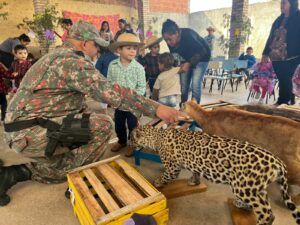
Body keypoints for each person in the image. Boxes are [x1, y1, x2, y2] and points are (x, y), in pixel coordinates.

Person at [0, 21, 187, 206]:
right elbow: (112, 93)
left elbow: (71, 103)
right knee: (103, 126)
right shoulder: (72, 62)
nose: (98, 51)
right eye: (96, 46)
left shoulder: (56, 56)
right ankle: (73, 179)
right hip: (28, 133)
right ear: (84, 43)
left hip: (23, 128)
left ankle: (18, 172)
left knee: (87, 120)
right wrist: (157, 108)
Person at [107, 33, 146, 157]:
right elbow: (109, 82)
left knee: (133, 126)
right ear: (119, 49)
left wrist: (133, 98)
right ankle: (122, 141)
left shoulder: (139, 68)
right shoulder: (112, 65)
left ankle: (132, 144)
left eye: (134, 48)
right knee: (118, 125)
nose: (132, 51)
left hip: (133, 105)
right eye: (128, 48)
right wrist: (111, 97)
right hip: (118, 104)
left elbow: (142, 87)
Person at [162, 19, 211, 104]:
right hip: (187, 58)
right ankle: (183, 105)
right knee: (184, 85)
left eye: (169, 39)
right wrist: (171, 68)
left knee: (195, 84)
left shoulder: (188, 35)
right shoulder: (170, 41)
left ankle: (194, 109)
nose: (168, 42)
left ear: (177, 33)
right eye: (166, 40)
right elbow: (174, 55)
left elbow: (202, 51)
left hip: (202, 57)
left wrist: (189, 63)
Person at [262, 0, 300, 105]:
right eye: (281, 3)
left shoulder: (298, 17)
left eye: (284, 3)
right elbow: (271, 37)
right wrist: (265, 53)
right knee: (282, 79)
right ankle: (286, 99)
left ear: (291, 4)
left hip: (292, 56)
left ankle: (283, 101)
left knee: (286, 78)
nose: (281, 5)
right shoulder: (278, 20)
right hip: (276, 56)